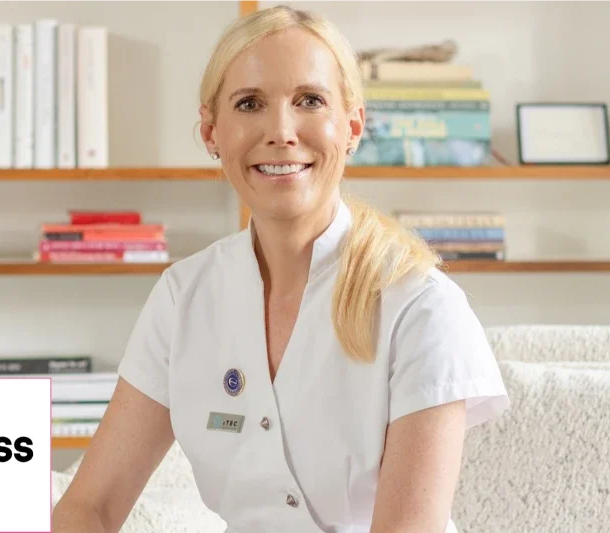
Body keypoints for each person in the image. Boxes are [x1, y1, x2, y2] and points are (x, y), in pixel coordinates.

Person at [52, 5, 509, 533]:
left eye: (309, 100)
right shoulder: (183, 297)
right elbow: (90, 507)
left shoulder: (421, 306)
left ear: (353, 126)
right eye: (250, 104)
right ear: (211, 133)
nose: (281, 131)